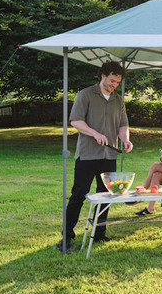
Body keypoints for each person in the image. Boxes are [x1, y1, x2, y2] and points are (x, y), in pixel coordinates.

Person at [55, 61, 133, 251]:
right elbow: (76, 121)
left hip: (110, 156)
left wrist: (125, 139)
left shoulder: (119, 100)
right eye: (112, 81)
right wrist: (94, 133)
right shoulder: (85, 95)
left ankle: (99, 234)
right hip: (87, 156)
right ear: (103, 75)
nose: (114, 85)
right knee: (78, 195)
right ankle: (67, 237)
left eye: (117, 82)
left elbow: (123, 125)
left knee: (106, 196)